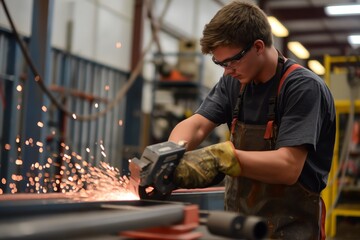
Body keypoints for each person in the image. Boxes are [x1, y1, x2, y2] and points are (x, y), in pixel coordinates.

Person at [168, 0, 336, 239]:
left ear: (258, 46)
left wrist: (221, 159)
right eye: (220, 63)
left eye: (231, 61)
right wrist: (170, 153)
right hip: (240, 227)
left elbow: (289, 166)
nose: (226, 71)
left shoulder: (302, 88)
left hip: (290, 229)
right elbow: (196, 126)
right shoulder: (233, 83)